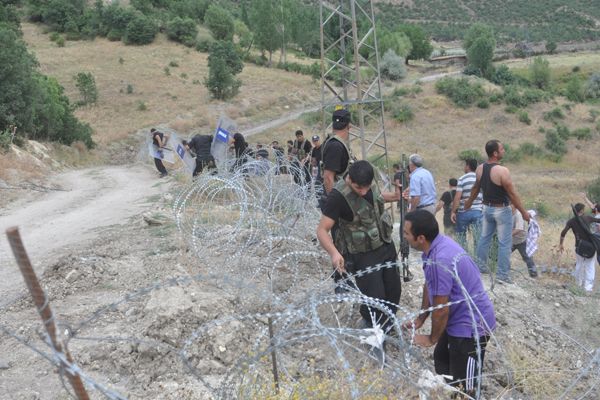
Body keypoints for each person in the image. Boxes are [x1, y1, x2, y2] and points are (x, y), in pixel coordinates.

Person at [402, 210, 496, 396]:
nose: (404, 237)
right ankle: (451, 393)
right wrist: (421, 319)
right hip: (458, 319)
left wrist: (431, 338)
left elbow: (441, 310)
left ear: (420, 238)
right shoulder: (435, 247)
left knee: (465, 385)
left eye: (406, 233)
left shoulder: (440, 259)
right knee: (442, 359)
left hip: (471, 327)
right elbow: (430, 285)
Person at [317, 160, 401, 328]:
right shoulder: (338, 196)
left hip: (385, 244)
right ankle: (371, 326)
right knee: (375, 297)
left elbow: (375, 197)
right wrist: (334, 253)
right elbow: (321, 230)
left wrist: (395, 196)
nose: (363, 192)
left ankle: (387, 324)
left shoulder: (370, 180)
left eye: (366, 188)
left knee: (394, 292)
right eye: (358, 188)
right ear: (350, 179)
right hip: (363, 255)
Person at [464, 140, 530, 284]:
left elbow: (475, 188)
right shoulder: (502, 171)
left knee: (484, 238)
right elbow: (513, 194)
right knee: (504, 243)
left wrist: (468, 203)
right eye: (501, 148)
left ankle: (480, 267)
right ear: (495, 153)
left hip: (486, 208)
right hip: (502, 210)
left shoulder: (480, 168)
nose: (504, 150)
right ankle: (502, 275)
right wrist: (524, 213)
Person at [559, 203, 597, 292]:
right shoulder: (588, 218)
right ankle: (588, 288)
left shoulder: (571, 221)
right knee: (590, 267)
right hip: (591, 247)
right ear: (582, 210)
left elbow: (563, 233)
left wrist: (561, 244)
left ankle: (578, 285)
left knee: (579, 265)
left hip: (579, 247)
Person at [451, 159, 483, 252]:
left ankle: (463, 259)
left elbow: (457, 197)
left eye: (465, 165)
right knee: (478, 238)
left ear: (468, 166)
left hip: (463, 212)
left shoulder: (462, 179)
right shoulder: (480, 179)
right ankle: (478, 262)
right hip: (477, 212)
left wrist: (453, 212)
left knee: (461, 237)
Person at [321, 108, 353, 194]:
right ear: (349, 125)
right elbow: (328, 178)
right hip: (338, 199)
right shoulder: (335, 146)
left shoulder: (334, 142)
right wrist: (334, 204)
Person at [511, 204, 538, 278]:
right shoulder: (508, 214)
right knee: (501, 254)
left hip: (521, 240)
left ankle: (533, 274)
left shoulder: (518, 214)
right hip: (512, 240)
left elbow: (519, 229)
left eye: (510, 205)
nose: (509, 207)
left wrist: (507, 236)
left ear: (514, 206)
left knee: (527, 257)